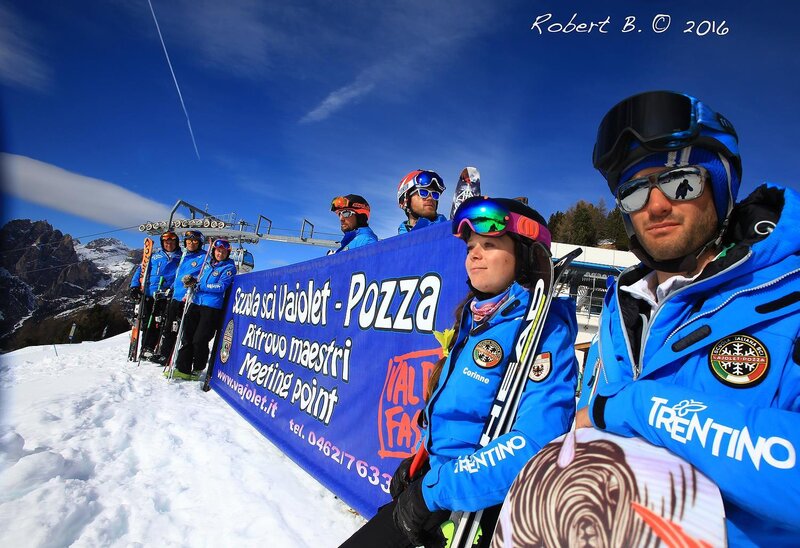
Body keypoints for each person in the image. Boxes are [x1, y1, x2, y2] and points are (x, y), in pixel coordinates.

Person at [577, 90, 800, 545]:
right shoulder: (622, 310)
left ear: (720, 188)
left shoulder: (790, 299)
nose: (655, 206)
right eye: (635, 191)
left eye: (681, 183)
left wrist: (636, 407)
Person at [341, 197, 578, 547]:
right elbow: (460, 417)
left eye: (490, 244)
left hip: (473, 510)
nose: (474, 255)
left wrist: (434, 491)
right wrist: (419, 461)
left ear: (528, 255)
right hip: (436, 484)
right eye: (471, 247)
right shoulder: (476, 319)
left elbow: (534, 443)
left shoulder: (543, 330)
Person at [171, 238, 237, 380]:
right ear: (214, 251)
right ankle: (183, 368)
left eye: (223, 252)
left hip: (211, 307)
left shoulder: (229, 268)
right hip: (195, 303)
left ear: (227, 253)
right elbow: (199, 279)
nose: (220, 254)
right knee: (187, 337)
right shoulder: (207, 264)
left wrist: (200, 286)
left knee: (200, 339)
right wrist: (192, 281)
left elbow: (221, 287)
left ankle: (198, 368)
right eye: (218, 251)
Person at [152, 230, 207, 365]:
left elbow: (205, 275)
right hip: (176, 296)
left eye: (194, 241)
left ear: (200, 243)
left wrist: (194, 281)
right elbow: (176, 275)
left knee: (186, 331)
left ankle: (183, 360)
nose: (191, 243)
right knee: (170, 327)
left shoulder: (204, 257)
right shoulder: (183, 255)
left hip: (189, 298)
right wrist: (171, 289)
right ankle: (165, 355)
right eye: (188, 240)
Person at [129, 230, 180, 359]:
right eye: (166, 242)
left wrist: (172, 289)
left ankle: (161, 348)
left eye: (172, 242)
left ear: (176, 243)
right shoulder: (155, 257)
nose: (169, 245)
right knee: (148, 322)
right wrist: (135, 286)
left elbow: (180, 276)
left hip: (165, 295)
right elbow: (141, 270)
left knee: (161, 322)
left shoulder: (181, 257)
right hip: (150, 294)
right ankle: (147, 347)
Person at [397, 169, 449, 234]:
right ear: (405, 201)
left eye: (435, 194)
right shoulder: (394, 243)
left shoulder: (455, 233)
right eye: (423, 192)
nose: (430, 198)